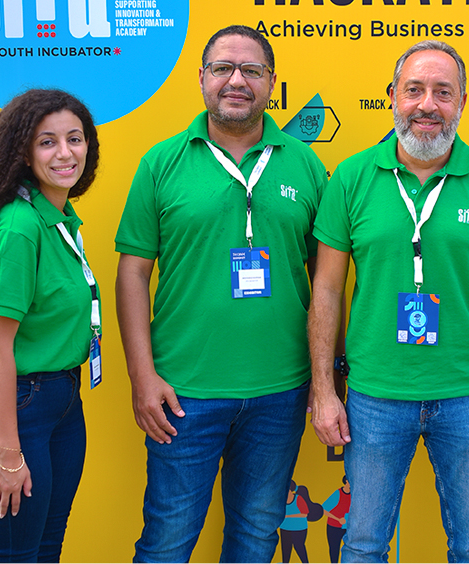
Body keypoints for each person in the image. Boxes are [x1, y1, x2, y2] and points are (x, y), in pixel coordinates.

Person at [308, 40, 469, 563]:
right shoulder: (352, 178)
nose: (427, 105)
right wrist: (323, 388)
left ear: (463, 103)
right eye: (414, 90)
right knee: (363, 545)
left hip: (468, 396)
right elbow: (327, 289)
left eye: (442, 92)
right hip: (375, 396)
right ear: (392, 96)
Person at [114, 25, 328, 562]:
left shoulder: (305, 164)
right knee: (166, 542)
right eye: (223, 68)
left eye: (251, 70)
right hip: (183, 393)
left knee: (255, 538)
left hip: (281, 391)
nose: (236, 81)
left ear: (272, 83)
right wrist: (142, 375)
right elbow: (132, 273)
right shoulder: (162, 162)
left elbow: (326, 278)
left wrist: (328, 375)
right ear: (202, 78)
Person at [0, 88, 101, 562]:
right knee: (14, 557)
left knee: (44, 550)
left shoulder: (54, 218)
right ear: (23, 152)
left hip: (58, 398)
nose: (65, 153)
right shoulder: (20, 227)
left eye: (75, 139)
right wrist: (8, 453)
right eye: (47, 142)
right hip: (17, 402)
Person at [322, 476, 351, 563]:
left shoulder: (354, 494)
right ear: (346, 481)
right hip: (334, 527)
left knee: (350, 550)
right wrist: (338, 519)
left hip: (348, 527)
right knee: (334, 550)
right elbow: (323, 509)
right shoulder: (338, 494)